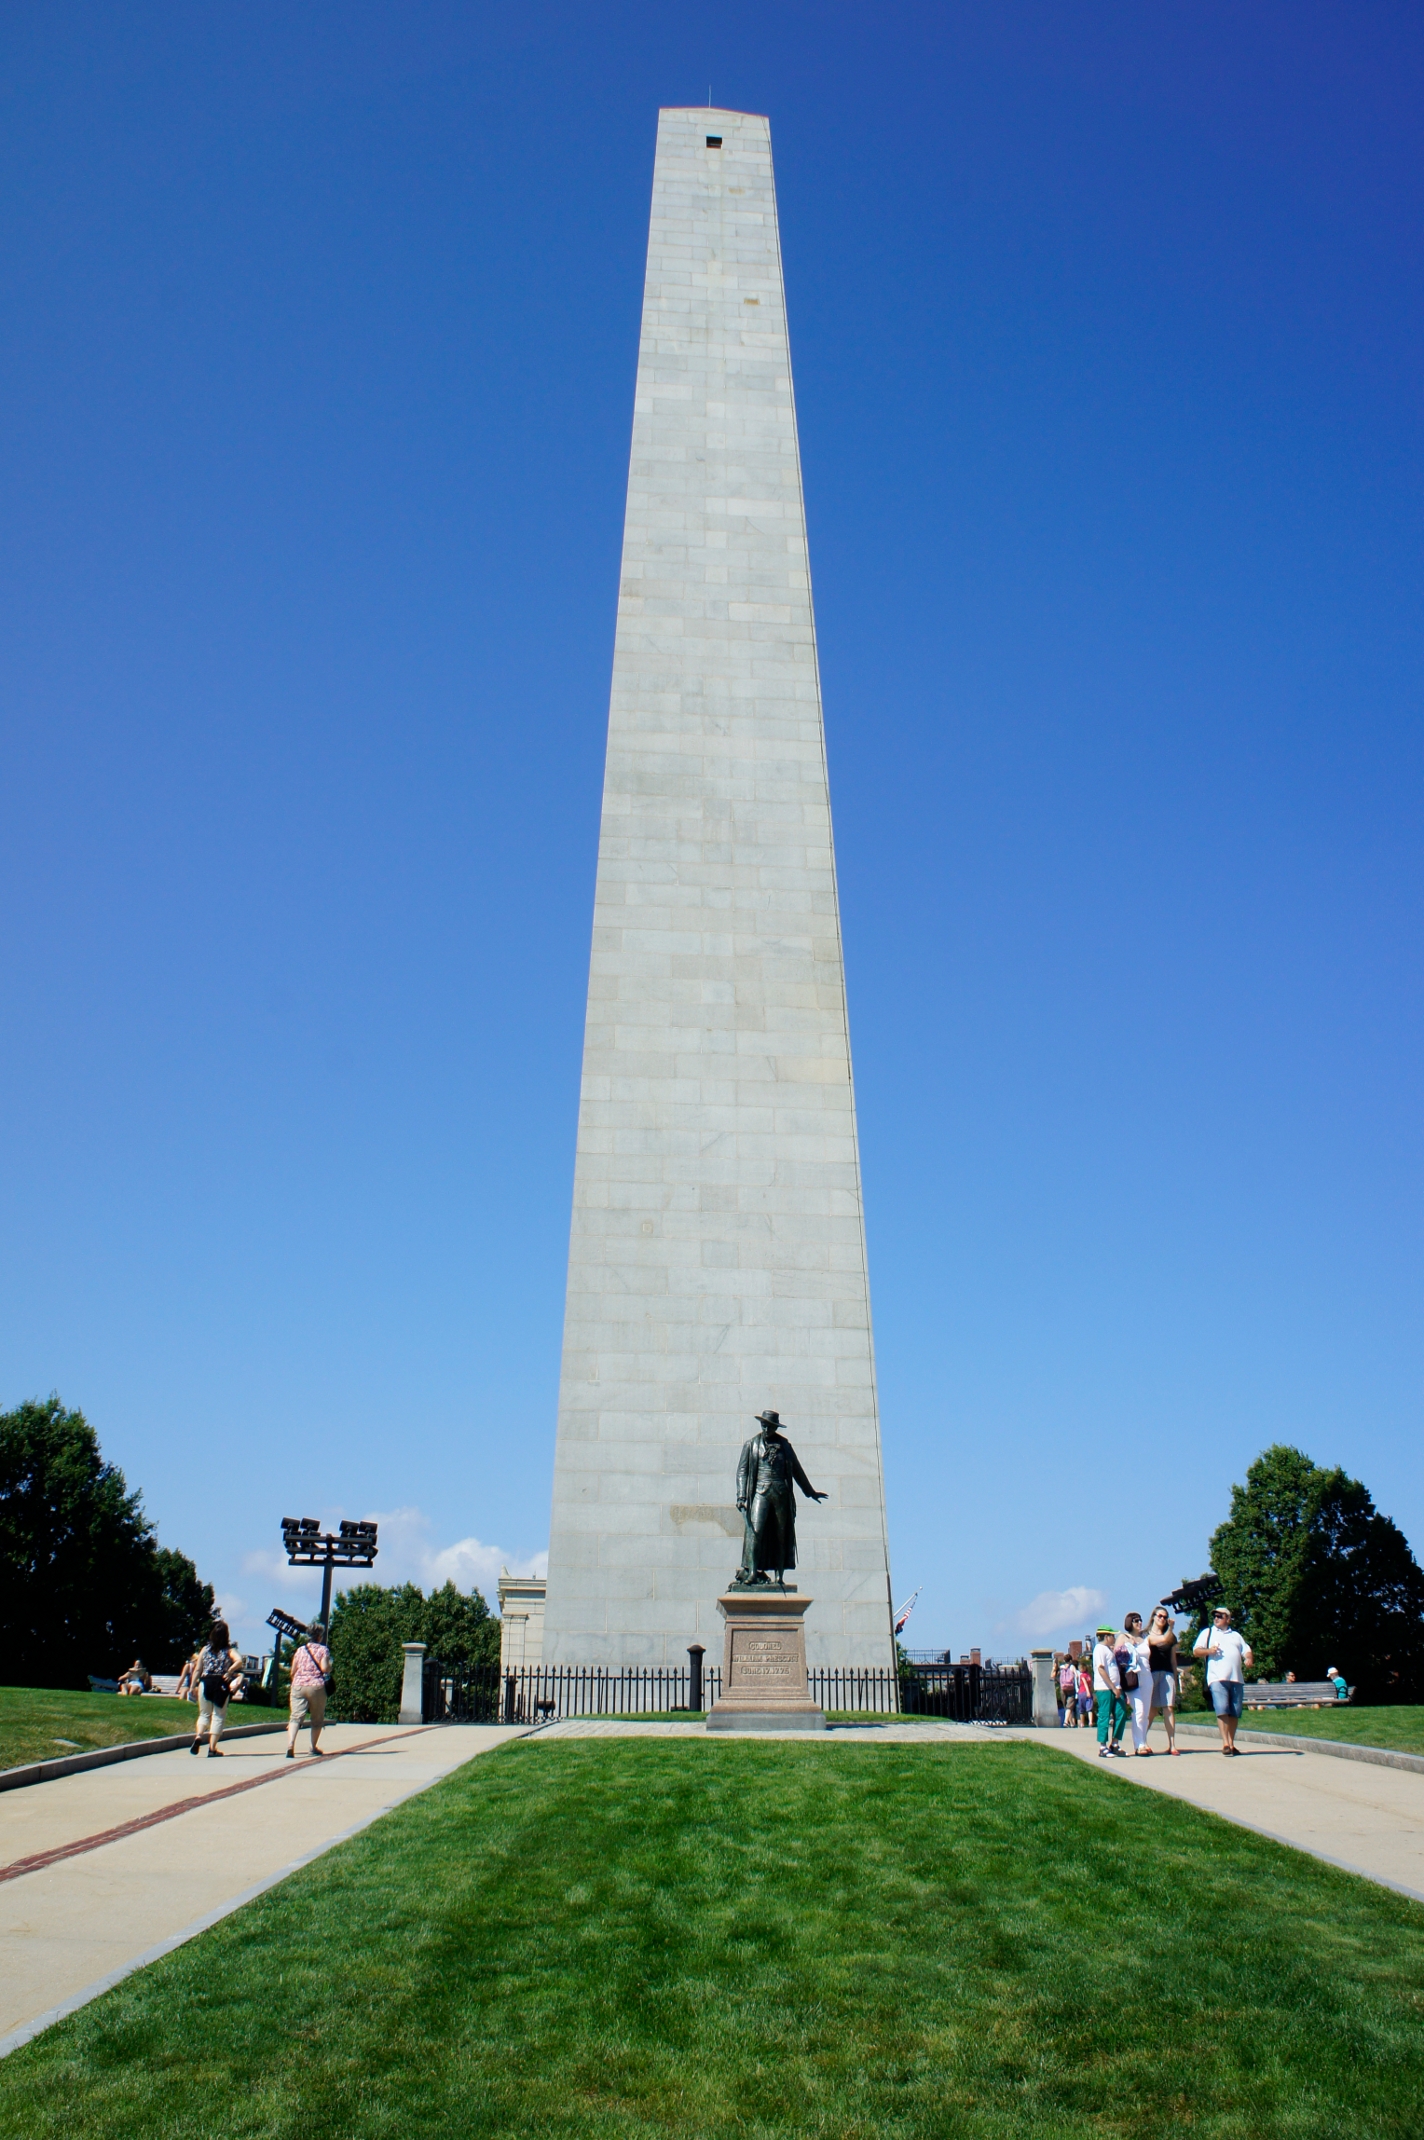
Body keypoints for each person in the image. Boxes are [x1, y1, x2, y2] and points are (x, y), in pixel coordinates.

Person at [1193, 1606, 1254, 1755]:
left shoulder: (1236, 1636)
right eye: (1215, 1616)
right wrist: (1209, 1651)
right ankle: (1225, 1743)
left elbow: (1246, 1650)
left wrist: (1249, 1658)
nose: (1216, 1618)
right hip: (1217, 1677)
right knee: (1222, 1709)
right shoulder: (1208, 1633)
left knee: (1234, 1712)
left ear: (1228, 1618)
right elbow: (1196, 1651)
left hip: (1236, 1678)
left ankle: (1231, 1743)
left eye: (1220, 1616)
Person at [189, 1621, 243, 1757]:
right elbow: (239, 1661)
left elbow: (198, 1669)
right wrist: (229, 1671)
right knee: (218, 1716)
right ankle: (212, 1748)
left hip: (205, 1681)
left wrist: (192, 1686)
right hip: (221, 1682)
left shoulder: (204, 1650)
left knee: (204, 1714)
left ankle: (198, 1736)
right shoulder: (229, 1650)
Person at [286, 1621, 332, 1760]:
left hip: (298, 1685)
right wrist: (330, 1666)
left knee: (295, 1717)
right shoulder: (323, 1650)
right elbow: (324, 1668)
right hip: (316, 1686)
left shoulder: (300, 1650)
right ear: (319, 1636)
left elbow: (293, 1670)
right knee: (317, 1718)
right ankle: (313, 1747)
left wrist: (298, 1679)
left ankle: (290, 1744)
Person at [1144, 1606, 1181, 1755]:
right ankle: (1142, 1741)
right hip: (1151, 1673)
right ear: (1153, 1616)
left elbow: (1173, 1659)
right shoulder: (1145, 1635)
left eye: (1165, 1617)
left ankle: (1172, 1744)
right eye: (1160, 1616)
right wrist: (1170, 1628)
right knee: (1151, 1711)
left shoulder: (1171, 1636)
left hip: (1166, 1673)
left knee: (1169, 1708)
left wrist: (1175, 1677)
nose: (1162, 1619)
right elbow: (1160, 1640)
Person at [1120, 1613, 1155, 1755]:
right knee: (1139, 1711)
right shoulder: (1124, 1637)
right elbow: (1117, 1656)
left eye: (1140, 1620)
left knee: (1145, 1713)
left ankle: (1143, 1742)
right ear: (1129, 1622)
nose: (1139, 1622)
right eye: (1135, 1621)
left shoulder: (1145, 1638)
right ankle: (1138, 1744)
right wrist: (1129, 1647)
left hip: (1147, 1677)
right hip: (1132, 1678)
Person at [1092, 1623, 1127, 1757]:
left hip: (1116, 1688)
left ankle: (1115, 1743)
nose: (1114, 1638)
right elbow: (1101, 1669)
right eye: (1112, 1636)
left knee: (1121, 1713)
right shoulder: (1099, 1649)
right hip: (1105, 1688)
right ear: (1106, 1637)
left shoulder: (1108, 1649)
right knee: (1105, 1716)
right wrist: (1112, 1687)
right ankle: (1102, 1746)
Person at [1058, 1656, 1078, 1726]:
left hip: (1063, 1688)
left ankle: (1071, 1723)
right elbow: (1077, 1676)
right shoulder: (1072, 1667)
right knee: (1069, 1706)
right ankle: (1066, 1721)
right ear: (1070, 1660)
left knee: (1066, 1706)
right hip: (1071, 1688)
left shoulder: (1061, 1667)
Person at [1076, 1659, 1093, 1728]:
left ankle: (1082, 1723)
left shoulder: (1082, 1675)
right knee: (1089, 1708)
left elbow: (1085, 1683)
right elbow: (1090, 1684)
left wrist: (1087, 1691)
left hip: (1082, 1691)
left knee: (1082, 1709)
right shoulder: (1088, 1675)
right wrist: (1090, 1691)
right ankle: (1090, 1722)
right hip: (1089, 1691)